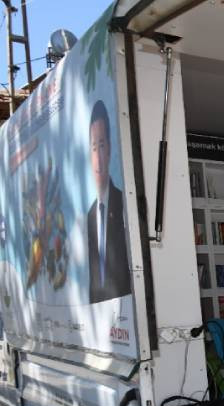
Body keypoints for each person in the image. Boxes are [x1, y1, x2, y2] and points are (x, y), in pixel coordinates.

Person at [85, 100, 132, 304]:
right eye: (94, 147)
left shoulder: (124, 203)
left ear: (110, 148)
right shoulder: (90, 215)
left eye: (102, 145)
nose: (99, 157)